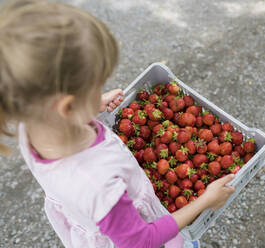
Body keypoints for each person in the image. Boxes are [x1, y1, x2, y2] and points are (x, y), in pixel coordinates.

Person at [0, 1, 235, 247]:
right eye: (96, 86)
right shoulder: (97, 184)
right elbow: (142, 240)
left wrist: (92, 104)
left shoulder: (33, 126)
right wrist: (205, 201)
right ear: (68, 106)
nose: (100, 89)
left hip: (98, 215)